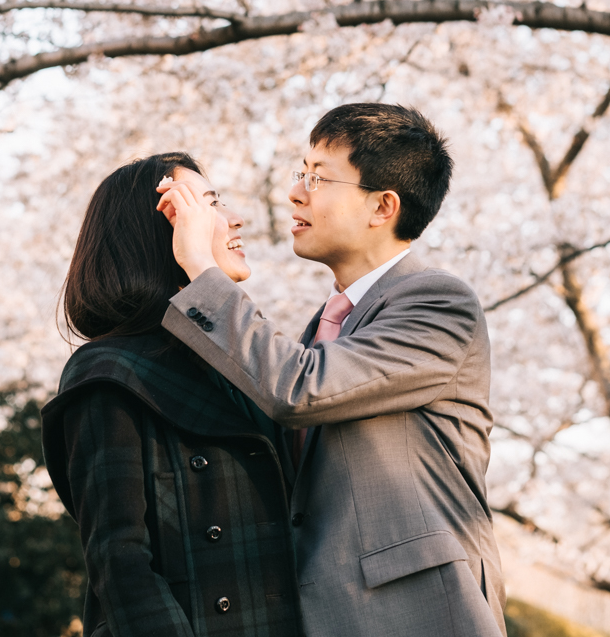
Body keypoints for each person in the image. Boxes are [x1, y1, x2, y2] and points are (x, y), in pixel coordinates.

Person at [157, 104, 506, 637]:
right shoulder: (320, 330)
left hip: (422, 617)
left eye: (318, 177)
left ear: (382, 206)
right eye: (302, 172)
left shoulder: (438, 303)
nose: (296, 192)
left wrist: (202, 270)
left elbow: (300, 390)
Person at [41, 152, 304, 637]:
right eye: (208, 205)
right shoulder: (107, 373)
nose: (234, 218)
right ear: (157, 233)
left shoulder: (250, 365)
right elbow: (120, 562)